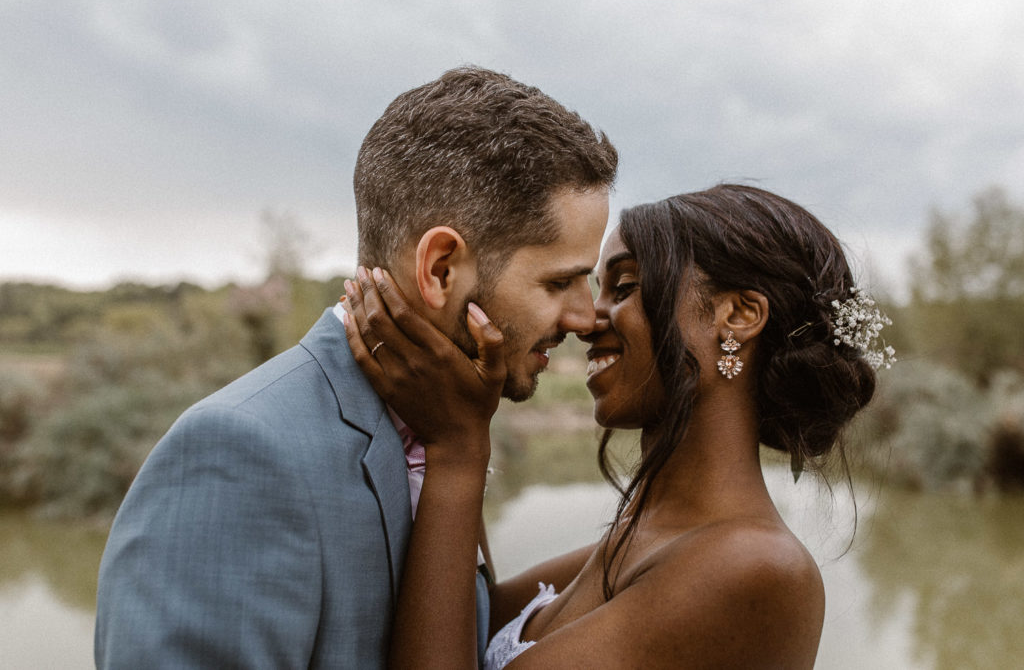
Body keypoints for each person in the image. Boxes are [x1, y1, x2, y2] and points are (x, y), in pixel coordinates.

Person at [94, 66, 617, 668]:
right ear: (441, 269)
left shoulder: (446, 420)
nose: (584, 316)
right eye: (560, 281)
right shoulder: (241, 454)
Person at [343, 184, 893, 668]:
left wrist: (458, 447)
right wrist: (461, 392)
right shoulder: (643, 532)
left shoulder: (756, 568)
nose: (585, 320)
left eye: (624, 286)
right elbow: (458, 624)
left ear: (738, 315)